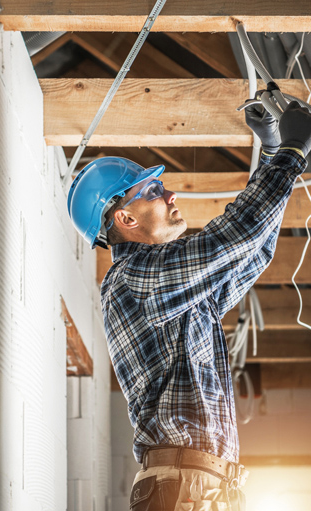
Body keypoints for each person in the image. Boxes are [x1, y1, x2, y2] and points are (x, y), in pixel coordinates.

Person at [67, 101, 311, 510]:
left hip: (195, 486)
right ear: (125, 219)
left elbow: (253, 250)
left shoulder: (171, 290)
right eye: (153, 191)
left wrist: (274, 155)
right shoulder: (136, 280)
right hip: (187, 488)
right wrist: (289, 153)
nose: (170, 193)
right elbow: (235, 237)